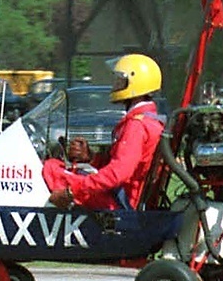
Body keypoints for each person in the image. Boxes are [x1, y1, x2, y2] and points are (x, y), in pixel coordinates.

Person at [45, 53, 165, 211]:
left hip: (120, 202)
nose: (115, 84)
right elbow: (123, 163)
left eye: (120, 80)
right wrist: (91, 158)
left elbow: (118, 174)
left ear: (134, 84)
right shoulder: (149, 120)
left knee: (51, 169)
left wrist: (72, 192)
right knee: (61, 167)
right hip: (122, 195)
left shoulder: (137, 125)